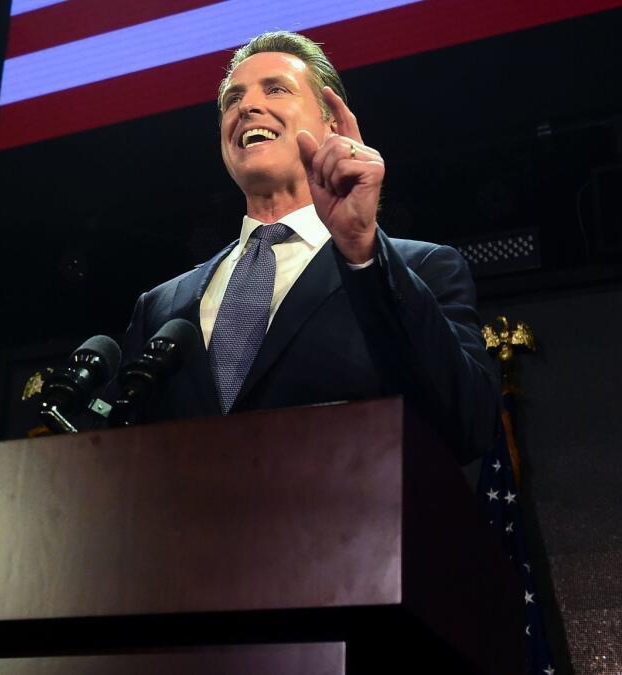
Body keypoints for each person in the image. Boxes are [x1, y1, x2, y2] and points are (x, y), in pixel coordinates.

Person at [117, 31, 497, 463]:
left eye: (276, 89)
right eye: (232, 99)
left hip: (348, 529)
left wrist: (360, 248)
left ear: (331, 123)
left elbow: (469, 426)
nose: (247, 107)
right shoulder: (160, 307)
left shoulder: (419, 268)